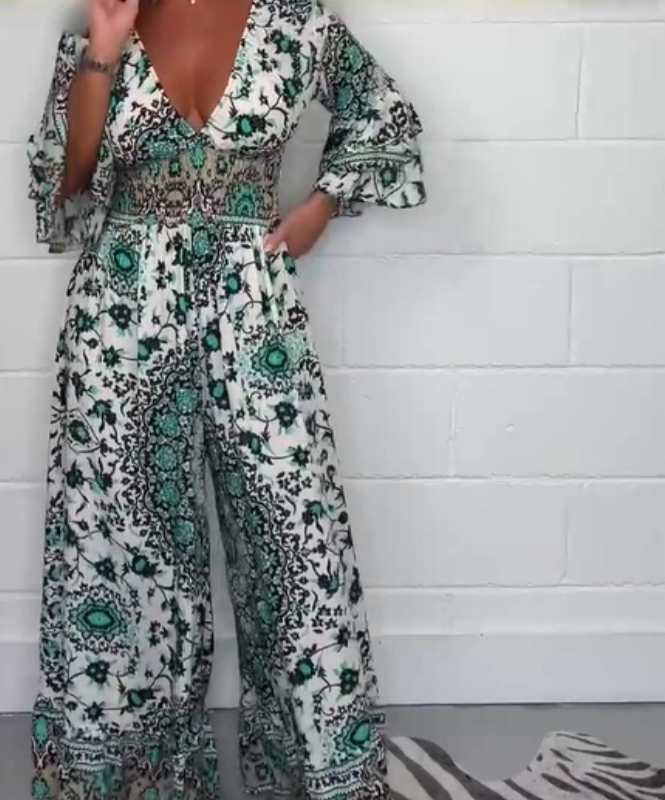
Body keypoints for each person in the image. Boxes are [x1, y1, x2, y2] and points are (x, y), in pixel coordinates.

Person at [26, 0, 425, 795]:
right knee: (122, 546)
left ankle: (318, 771)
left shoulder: (296, 23)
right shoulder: (107, 18)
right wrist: (103, 49)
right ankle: (133, 777)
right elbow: (66, 188)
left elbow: (387, 116)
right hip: (123, 313)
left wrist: (322, 207)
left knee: (296, 536)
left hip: (254, 307)